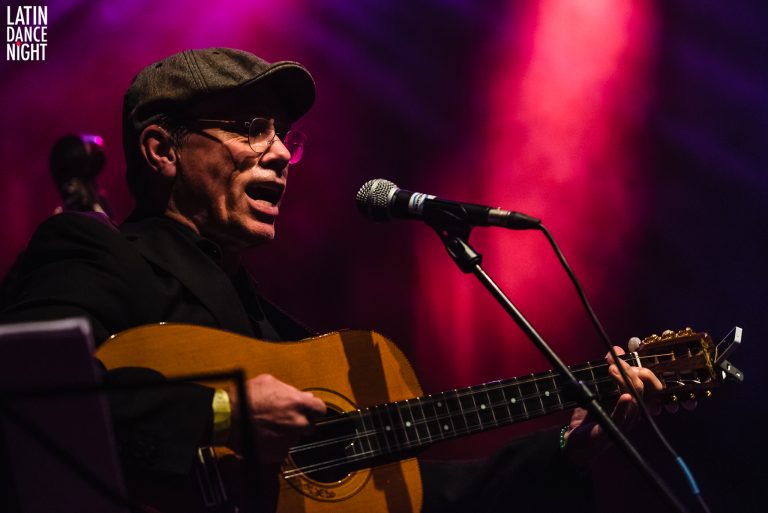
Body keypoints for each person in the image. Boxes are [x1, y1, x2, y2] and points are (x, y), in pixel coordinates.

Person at [0, 48, 662, 512]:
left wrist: (568, 446)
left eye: (286, 135)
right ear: (162, 150)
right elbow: (30, 394)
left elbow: (414, 497)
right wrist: (224, 411)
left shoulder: (274, 329)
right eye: (249, 127)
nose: (283, 152)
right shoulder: (97, 251)